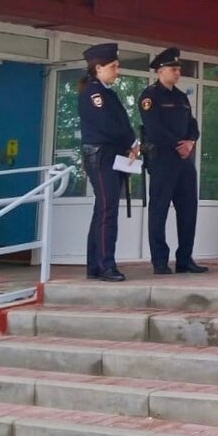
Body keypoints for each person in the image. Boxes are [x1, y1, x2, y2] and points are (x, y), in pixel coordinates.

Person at [139, 47, 207, 275]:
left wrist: (190, 142)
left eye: (178, 69)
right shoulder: (150, 96)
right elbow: (154, 128)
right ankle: (160, 261)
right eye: (173, 69)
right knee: (159, 211)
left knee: (188, 211)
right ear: (160, 71)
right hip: (163, 160)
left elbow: (192, 124)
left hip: (184, 161)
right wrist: (179, 145)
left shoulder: (181, 97)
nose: (178, 72)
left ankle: (185, 259)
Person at [78, 42, 138, 282]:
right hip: (102, 156)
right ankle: (106, 265)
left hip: (111, 155)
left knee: (102, 210)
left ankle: (95, 265)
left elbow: (122, 123)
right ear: (98, 68)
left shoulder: (106, 93)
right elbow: (107, 125)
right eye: (113, 66)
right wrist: (131, 142)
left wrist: (132, 143)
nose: (117, 71)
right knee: (107, 211)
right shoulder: (94, 93)